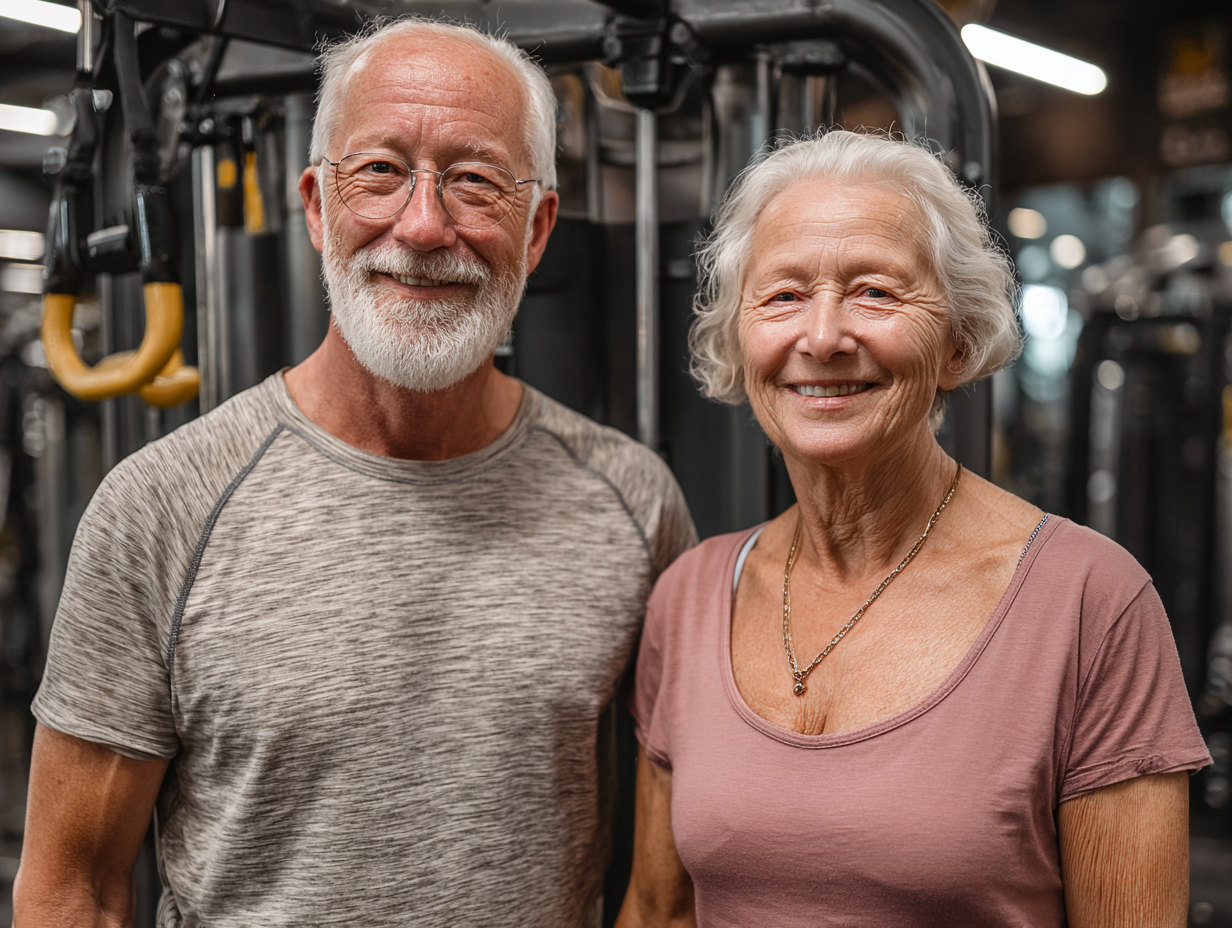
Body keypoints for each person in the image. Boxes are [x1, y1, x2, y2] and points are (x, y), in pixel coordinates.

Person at [15, 18, 695, 927]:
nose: (421, 225)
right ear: (316, 206)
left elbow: (666, 878)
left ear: (535, 230)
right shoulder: (161, 506)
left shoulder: (632, 502)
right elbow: (72, 890)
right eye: (379, 171)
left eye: (476, 180)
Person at [616, 131, 1210, 928]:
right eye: (784, 295)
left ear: (958, 341)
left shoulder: (1090, 602)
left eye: (875, 292)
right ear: (740, 339)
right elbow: (657, 912)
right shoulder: (691, 595)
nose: (822, 338)